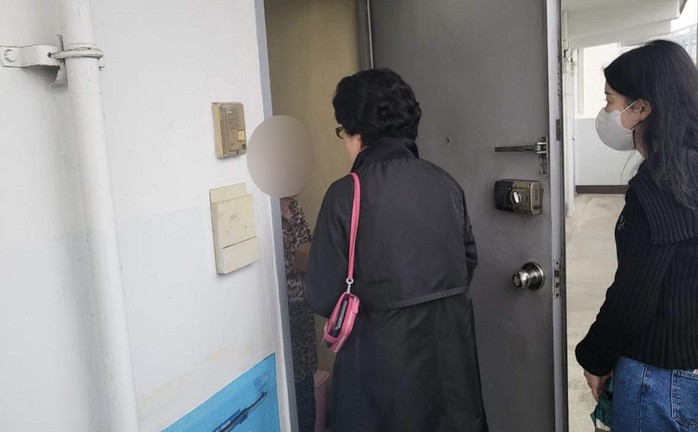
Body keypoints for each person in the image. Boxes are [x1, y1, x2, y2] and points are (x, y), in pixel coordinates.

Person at [305, 69, 488, 432]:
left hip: (379, 372)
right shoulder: (445, 182)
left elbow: (323, 294)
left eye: (343, 132)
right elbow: (467, 260)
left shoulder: (346, 193)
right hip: (451, 362)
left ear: (357, 132)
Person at [576, 40, 698, 432]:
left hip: (659, 378)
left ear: (642, 108)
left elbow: (634, 292)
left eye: (610, 101)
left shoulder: (660, 184)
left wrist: (595, 357)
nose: (606, 112)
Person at [281, 196, 317, 432]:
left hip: (304, 306)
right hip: (284, 310)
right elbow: (278, 261)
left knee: (305, 381)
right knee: (289, 383)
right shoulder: (266, 213)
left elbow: (308, 246)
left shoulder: (295, 208)